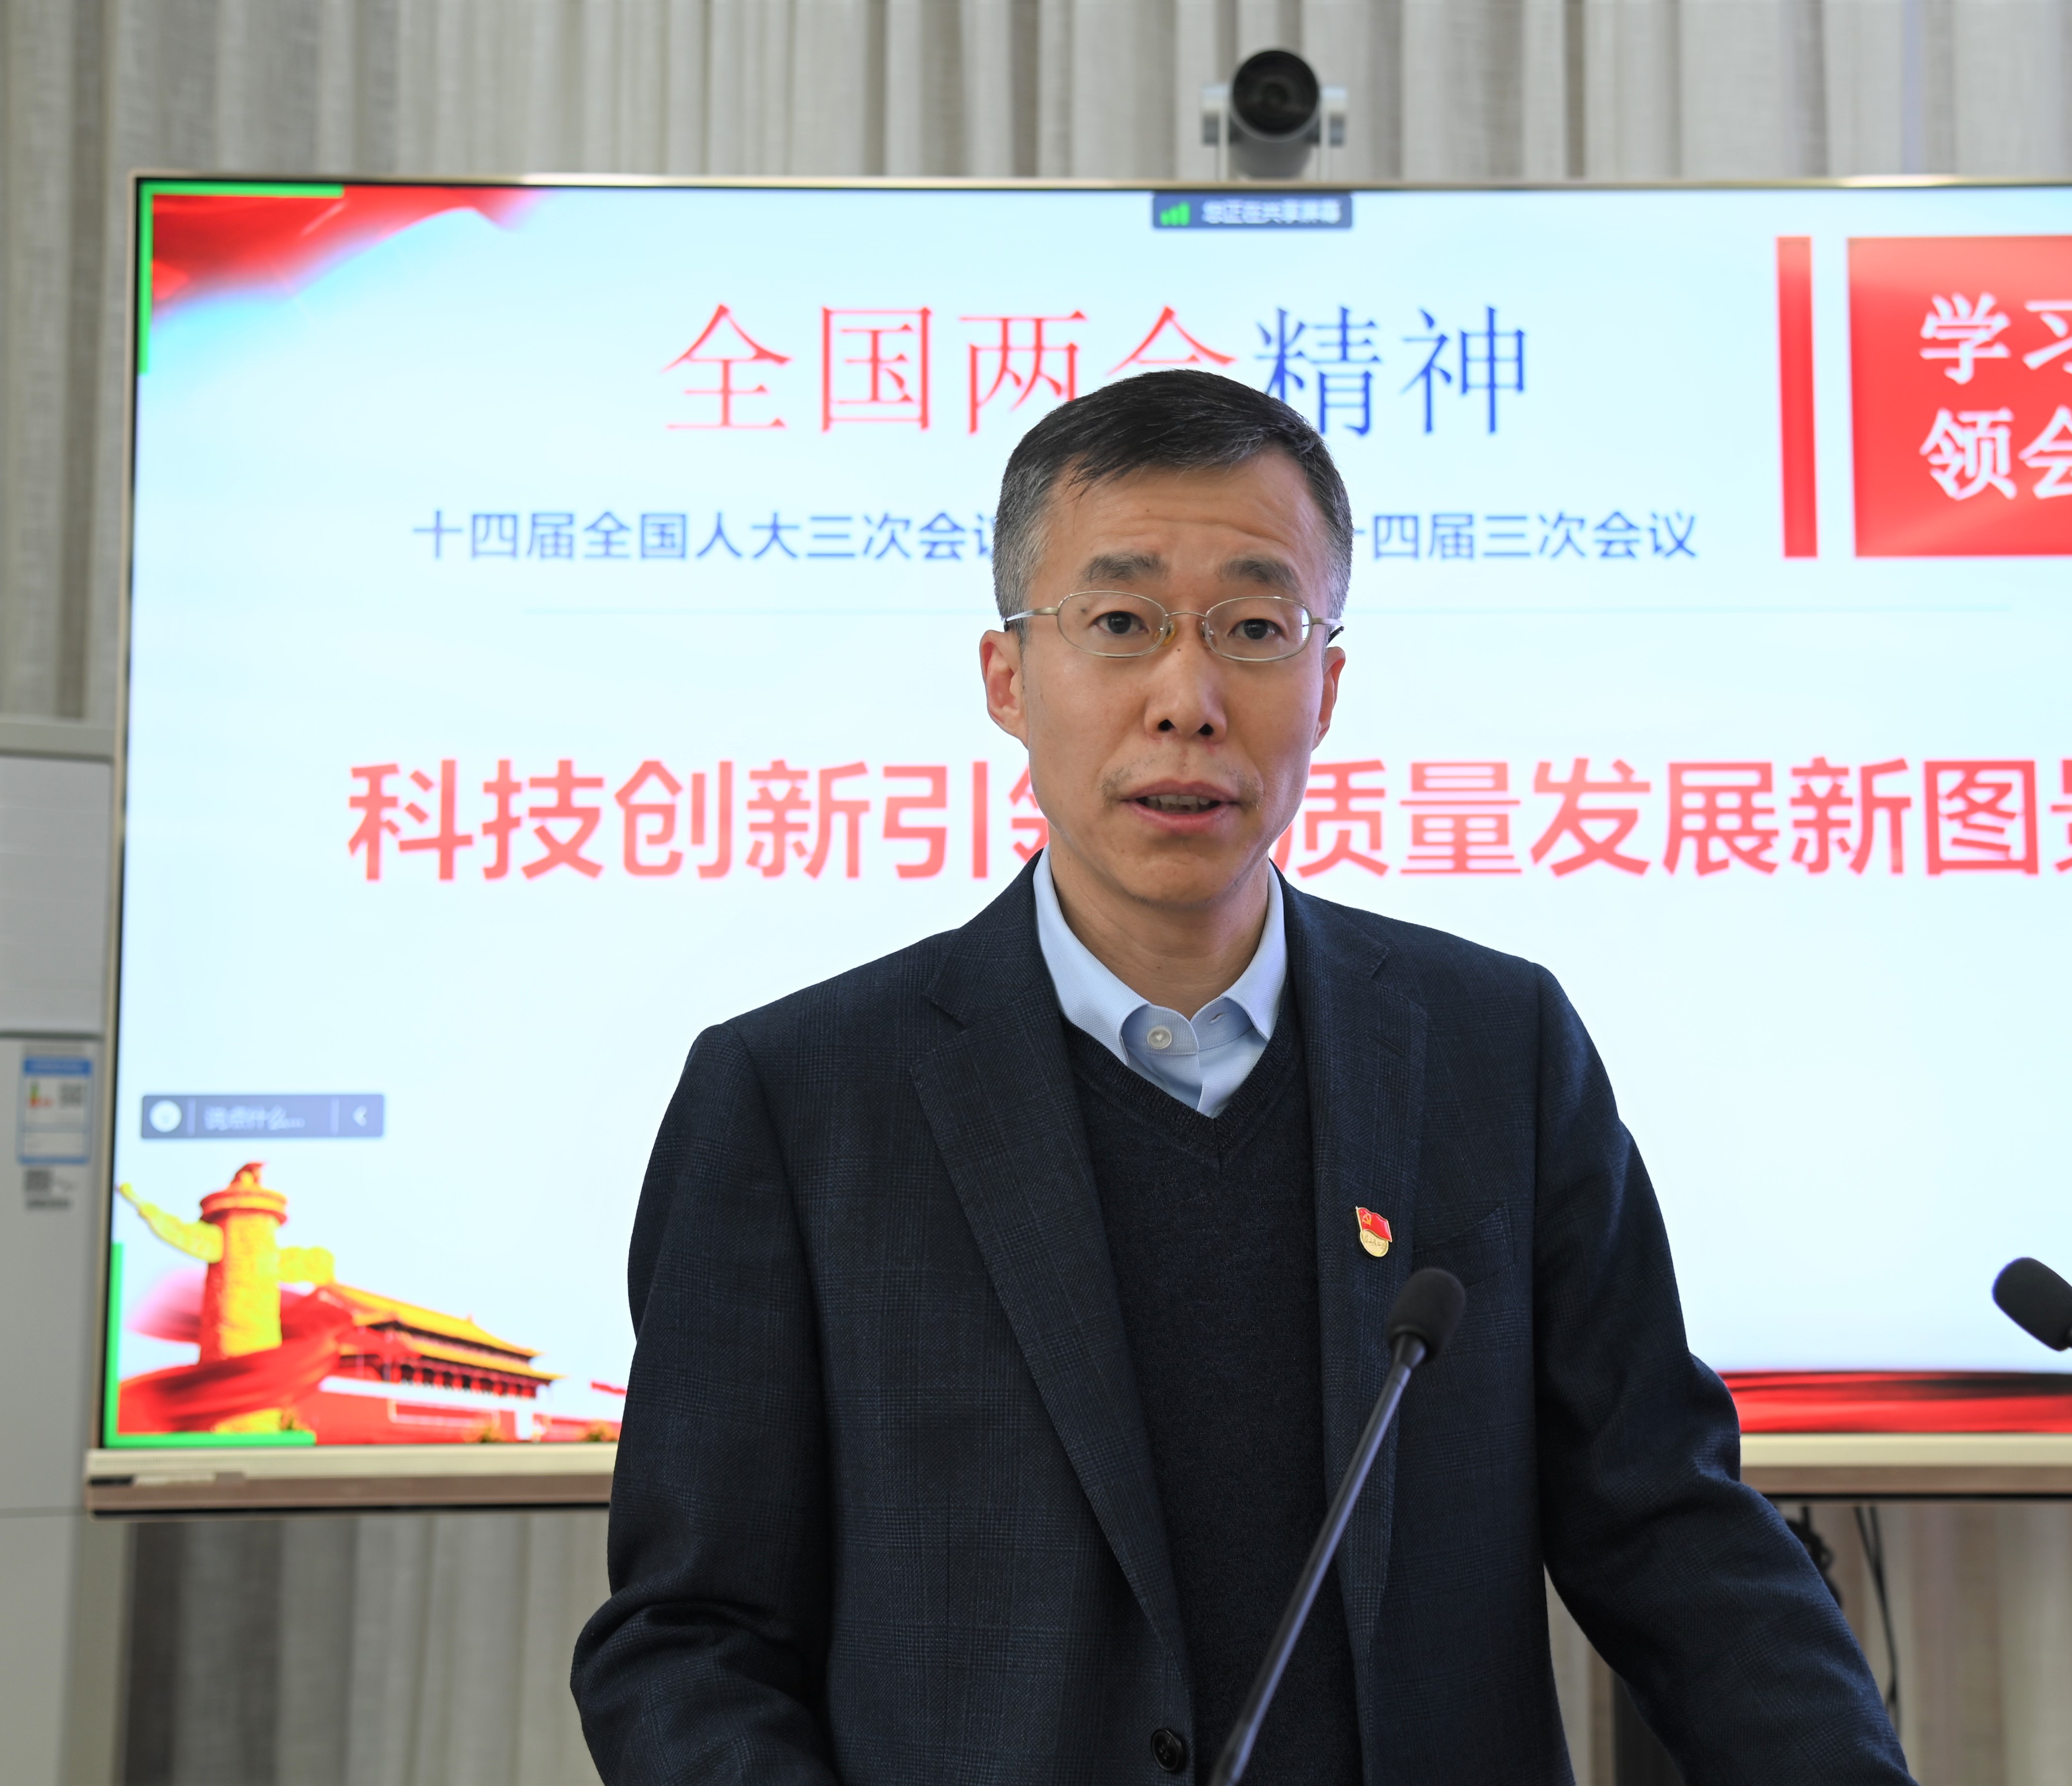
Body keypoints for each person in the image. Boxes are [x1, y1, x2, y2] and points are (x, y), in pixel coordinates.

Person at [571, 370, 1910, 1786]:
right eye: (1121, 622)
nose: (1187, 700)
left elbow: (1668, 1526)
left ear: (1327, 685)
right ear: (1008, 679)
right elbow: (691, 1636)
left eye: (1256, 629)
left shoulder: (1494, 1049)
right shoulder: (796, 1101)